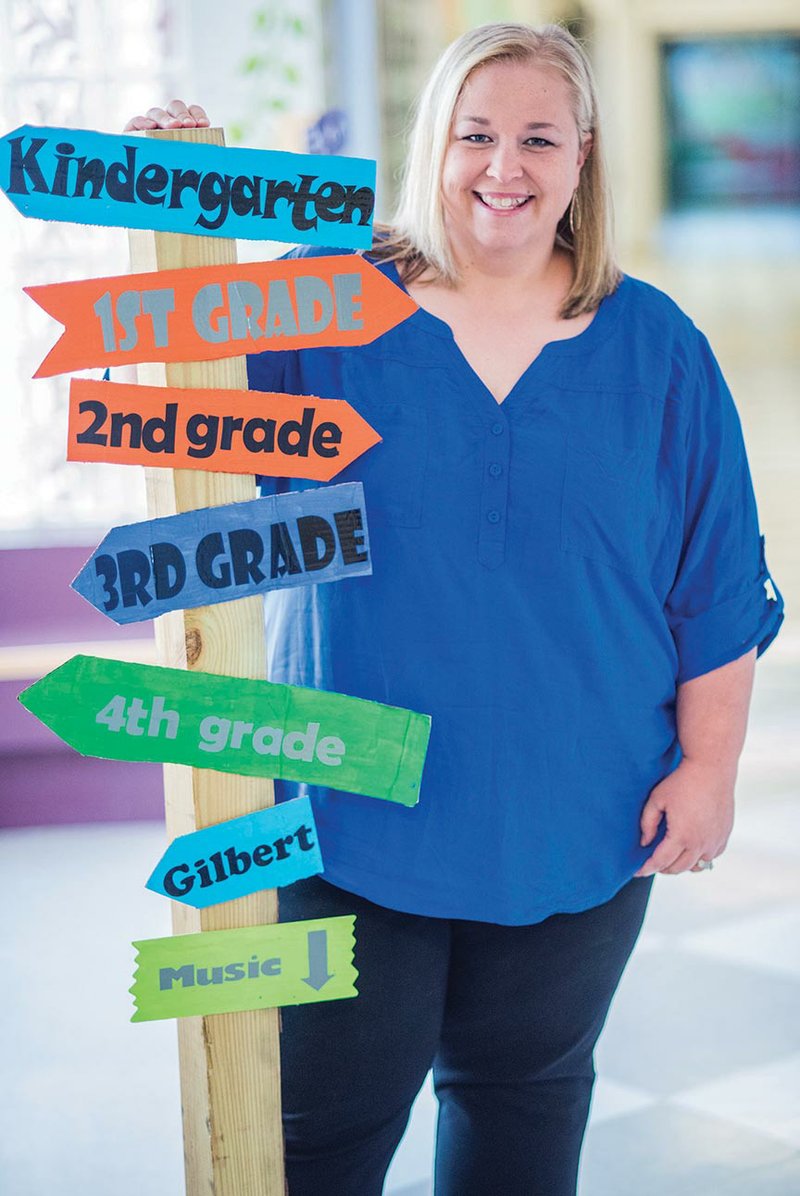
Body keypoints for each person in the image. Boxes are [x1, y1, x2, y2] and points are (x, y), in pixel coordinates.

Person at [127, 21, 784, 1195]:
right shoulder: (329, 309)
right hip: (347, 810)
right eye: (475, 134)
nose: (503, 167)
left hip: (580, 815)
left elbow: (713, 580)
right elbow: (175, 397)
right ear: (431, 145)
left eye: (538, 137)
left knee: (521, 1112)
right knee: (319, 1134)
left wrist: (710, 765)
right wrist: (181, 210)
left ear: (582, 156)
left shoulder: (658, 350)